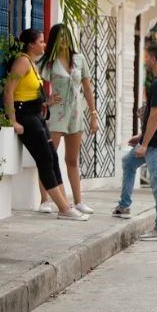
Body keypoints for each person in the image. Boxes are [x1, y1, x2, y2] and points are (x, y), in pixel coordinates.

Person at [3, 28, 88, 221]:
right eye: (41, 41)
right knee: (45, 159)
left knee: (52, 157)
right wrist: (13, 120)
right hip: (25, 116)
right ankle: (63, 208)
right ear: (31, 44)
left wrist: (46, 102)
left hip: (36, 114)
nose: (44, 44)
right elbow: (9, 90)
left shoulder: (31, 63)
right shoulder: (23, 62)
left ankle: (65, 204)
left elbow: (30, 92)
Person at [112, 42, 157, 241]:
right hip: (153, 140)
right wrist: (141, 138)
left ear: (154, 59)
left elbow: (156, 116)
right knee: (128, 162)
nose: (145, 60)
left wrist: (145, 144)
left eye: (147, 57)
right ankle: (124, 206)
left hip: (156, 144)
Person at [36, 24, 97, 215]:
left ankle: (78, 201)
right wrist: (45, 99)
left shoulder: (79, 59)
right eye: (60, 38)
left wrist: (93, 114)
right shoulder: (48, 62)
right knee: (47, 158)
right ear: (55, 39)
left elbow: (87, 88)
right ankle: (45, 200)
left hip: (76, 115)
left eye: (66, 37)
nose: (64, 41)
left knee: (72, 159)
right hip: (57, 114)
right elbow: (33, 82)